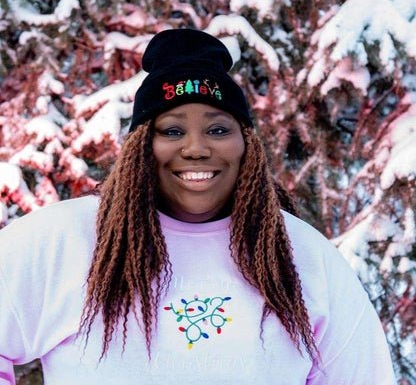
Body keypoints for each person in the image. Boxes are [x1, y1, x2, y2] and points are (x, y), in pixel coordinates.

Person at [0, 29, 396, 385]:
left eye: (218, 129)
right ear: (140, 146)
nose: (195, 148)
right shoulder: (60, 240)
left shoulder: (303, 255)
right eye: (172, 130)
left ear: (247, 145)